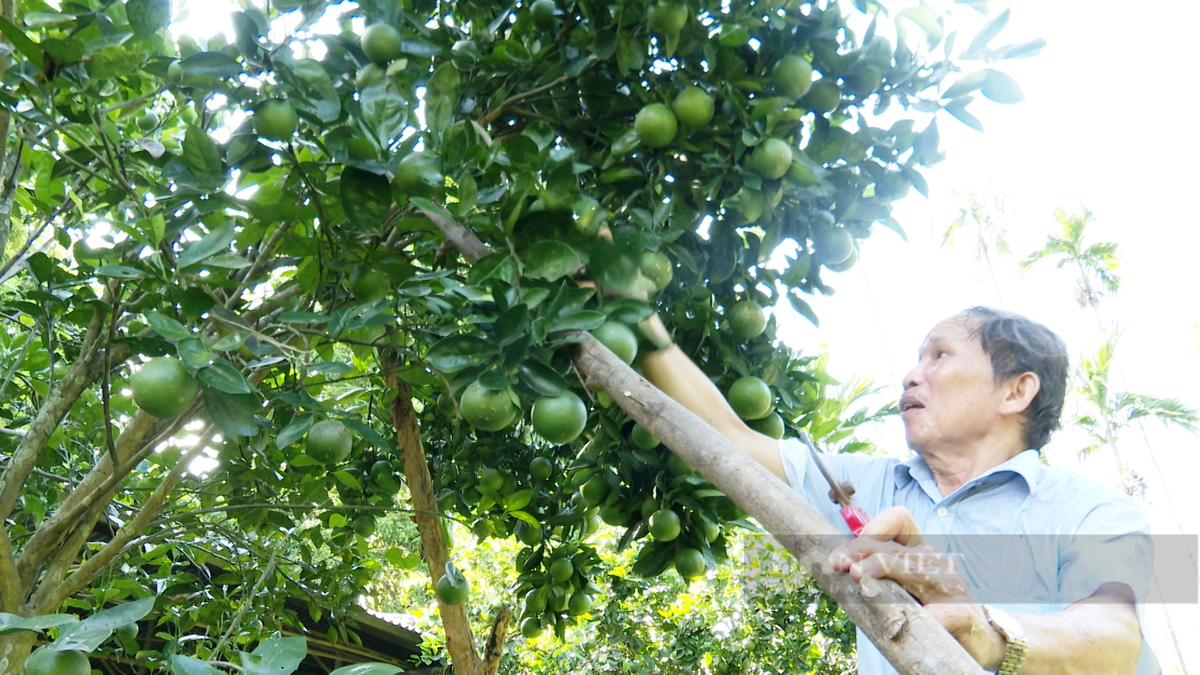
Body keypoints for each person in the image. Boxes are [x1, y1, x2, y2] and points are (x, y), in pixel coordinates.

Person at [638, 306, 1156, 674]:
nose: (911, 375)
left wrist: (986, 630)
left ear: (1015, 391)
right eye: (917, 358)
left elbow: (1114, 643)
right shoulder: (861, 487)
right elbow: (729, 442)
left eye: (940, 355)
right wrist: (636, 313)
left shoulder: (1095, 512)